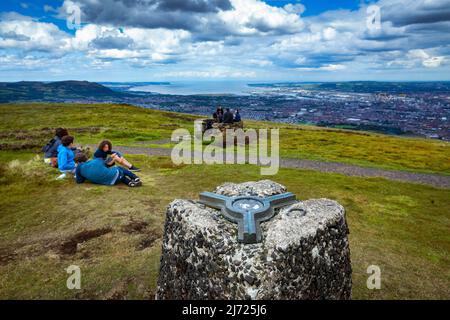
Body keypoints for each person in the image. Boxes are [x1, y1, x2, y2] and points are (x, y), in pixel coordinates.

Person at [75, 153, 142, 187]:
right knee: (119, 168)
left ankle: (130, 183)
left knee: (120, 176)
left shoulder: (78, 168)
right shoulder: (97, 160)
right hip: (115, 176)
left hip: (109, 183)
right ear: (86, 158)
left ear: (78, 162)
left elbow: (79, 181)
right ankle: (135, 177)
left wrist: (84, 175)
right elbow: (108, 165)